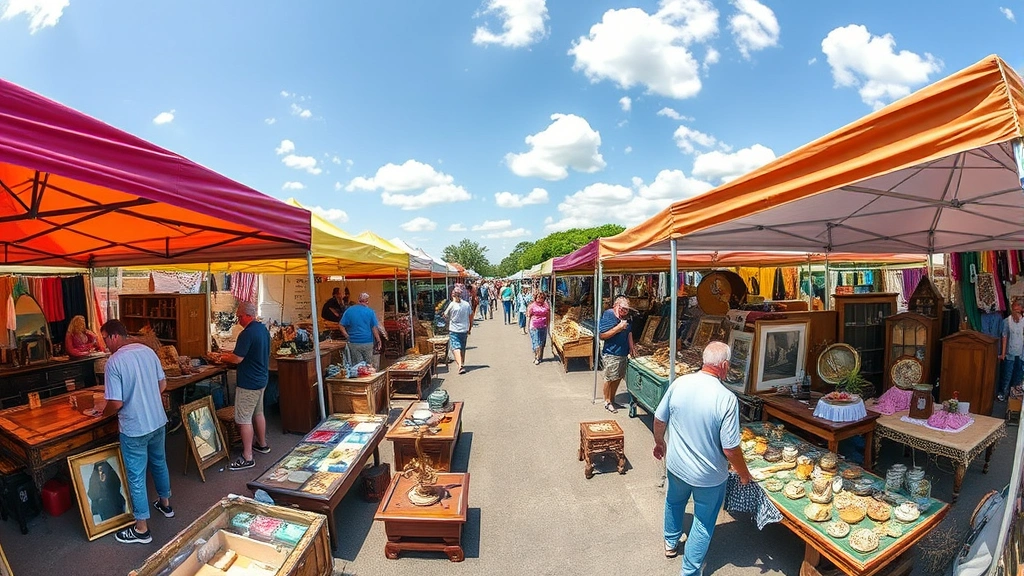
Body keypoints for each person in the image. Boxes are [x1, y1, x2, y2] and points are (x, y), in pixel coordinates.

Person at [653, 342, 752, 571]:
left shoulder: (680, 382)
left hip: (677, 465)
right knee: (704, 521)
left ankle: (670, 542)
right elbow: (730, 448)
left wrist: (660, 442)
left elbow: (659, 419)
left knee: (674, 501)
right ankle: (690, 570)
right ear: (725, 365)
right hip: (709, 476)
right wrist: (744, 474)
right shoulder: (726, 398)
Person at [98, 319, 173, 545]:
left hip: (135, 426)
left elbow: (116, 403)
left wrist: (102, 413)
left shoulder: (114, 362)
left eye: (104, 339)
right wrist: (146, 396)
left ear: (114, 337)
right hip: (157, 420)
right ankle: (165, 504)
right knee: (160, 463)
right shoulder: (148, 351)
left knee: (136, 476)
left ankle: (141, 529)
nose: (104, 345)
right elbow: (162, 385)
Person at [219, 302, 271, 471]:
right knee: (258, 412)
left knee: (243, 419)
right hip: (261, 378)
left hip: (248, 382)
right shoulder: (263, 329)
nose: (238, 319)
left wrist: (223, 358)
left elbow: (237, 359)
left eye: (240, 316)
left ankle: (247, 456)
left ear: (248, 315)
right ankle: (262, 444)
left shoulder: (247, 334)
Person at [598, 296, 636, 413]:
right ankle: (607, 401)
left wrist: (631, 347)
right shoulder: (609, 315)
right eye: (622, 308)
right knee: (609, 377)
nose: (624, 311)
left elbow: (629, 332)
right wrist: (618, 328)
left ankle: (613, 399)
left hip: (623, 352)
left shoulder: (627, 317)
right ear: (616, 305)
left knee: (618, 377)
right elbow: (602, 335)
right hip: (611, 352)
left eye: (627, 309)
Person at [340, 292, 382, 367]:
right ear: (367, 301)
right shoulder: (370, 312)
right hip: (367, 342)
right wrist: (378, 340)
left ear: (358, 300)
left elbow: (341, 325)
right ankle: (368, 377)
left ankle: (359, 377)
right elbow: (374, 328)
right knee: (369, 365)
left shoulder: (349, 311)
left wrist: (347, 335)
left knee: (357, 366)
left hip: (354, 343)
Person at [998, 300, 1024, 401]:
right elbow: (1004, 337)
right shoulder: (1007, 321)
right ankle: (1003, 394)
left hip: (1021, 353)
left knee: (1018, 375)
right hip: (1010, 352)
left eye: (1018, 311)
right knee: (1007, 375)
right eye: (1014, 310)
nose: (1015, 313)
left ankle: (1014, 396)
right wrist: (1003, 353)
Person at [444, 287, 472, 374]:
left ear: (453, 295)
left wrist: (447, 318)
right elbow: (471, 317)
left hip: (454, 330)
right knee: (462, 347)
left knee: (456, 347)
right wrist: (470, 328)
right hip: (464, 329)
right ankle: (461, 363)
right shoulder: (466, 304)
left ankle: (460, 365)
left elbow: (445, 315)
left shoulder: (452, 305)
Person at [526, 291, 550, 365]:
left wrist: (548, 327)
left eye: (542, 297)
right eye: (538, 297)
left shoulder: (546, 306)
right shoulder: (532, 306)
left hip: (543, 326)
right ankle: (536, 357)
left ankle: (539, 356)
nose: (540, 299)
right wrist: (528, 326)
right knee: (536, 342)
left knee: (541, 343)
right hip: (534, 326)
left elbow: (548, 317)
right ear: (536, 298)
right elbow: (529, 316)